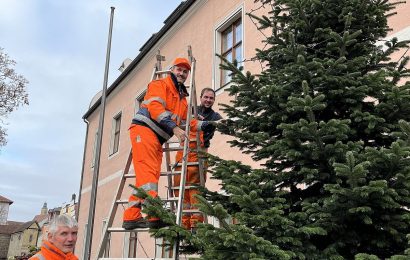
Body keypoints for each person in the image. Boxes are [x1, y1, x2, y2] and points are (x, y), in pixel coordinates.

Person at [123, 57, 212, 230]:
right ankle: (154, 216)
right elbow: (156, 109)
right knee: (148, 176)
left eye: (185, 71)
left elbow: (188, 121)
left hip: (156, 138)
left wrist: (206, 124)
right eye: (179, 70)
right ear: (172, 70)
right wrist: (174, 129)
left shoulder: (182, 99)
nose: (182, 73)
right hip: (144, 131)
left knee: (148, 178)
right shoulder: (159, 85)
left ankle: (131, 217)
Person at [173, 87, 222, 230]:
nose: (208, 100)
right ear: (200, 97)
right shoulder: (190, 110)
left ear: (214, 100)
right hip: (184, 150)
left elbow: (220, 124)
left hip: (200, 151)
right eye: (206, 97)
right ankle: (183, 222)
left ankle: (195, 223)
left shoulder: (215, 116)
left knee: (196, 189)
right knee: (179, 186)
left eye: (211, 98)